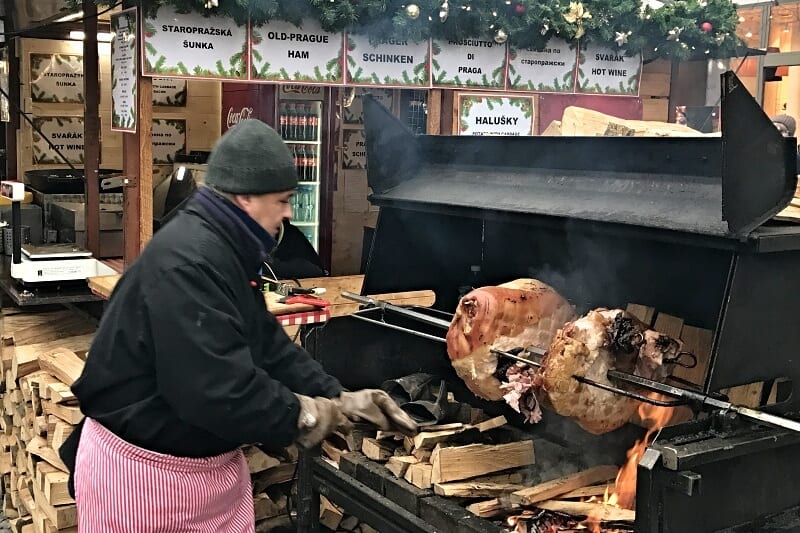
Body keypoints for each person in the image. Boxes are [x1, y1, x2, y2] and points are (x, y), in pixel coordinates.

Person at [60, 119, 417, 532]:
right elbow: (214, 389)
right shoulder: (188, 264)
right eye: (282, 200)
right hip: (145, 479)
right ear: (245, 197)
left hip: (199, 473)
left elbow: (266, 342)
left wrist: (335, 394)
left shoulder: (225, 249)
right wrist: (303, 413)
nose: (287, 212)